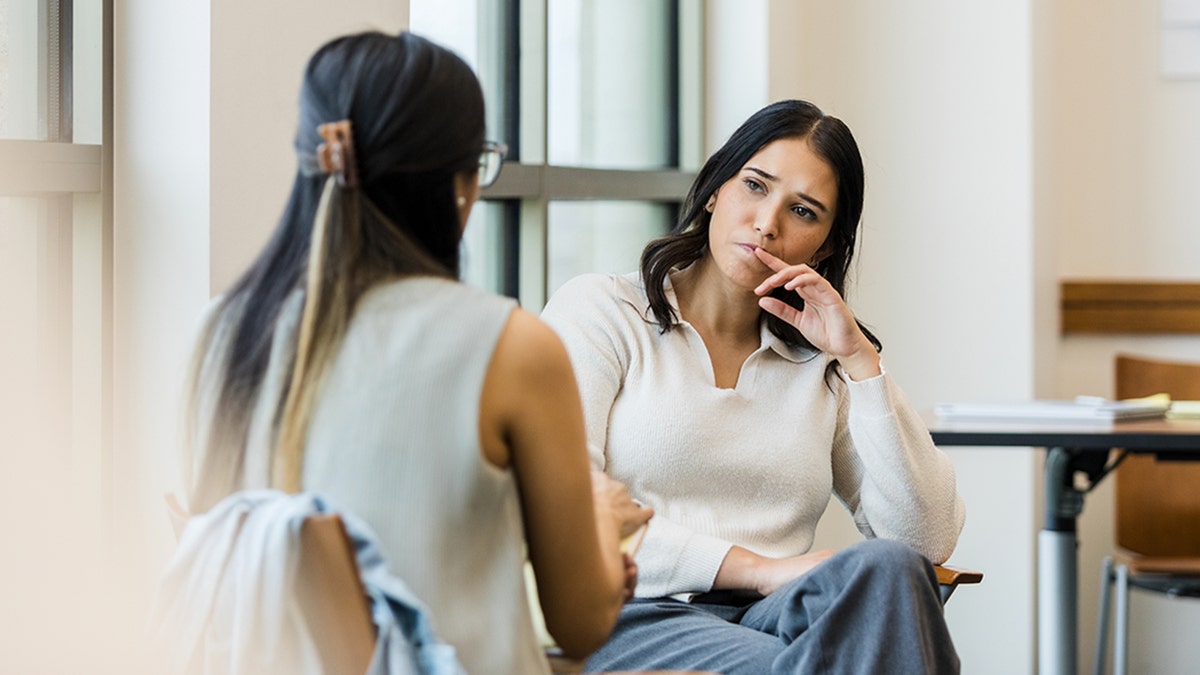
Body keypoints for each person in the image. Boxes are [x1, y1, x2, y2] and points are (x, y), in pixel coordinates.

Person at [181, 31, 651, 674]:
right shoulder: (511, 348)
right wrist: (600, 519)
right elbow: (580, 621)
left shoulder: (221, 331)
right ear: (456, 185)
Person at [540, 99, 968, 674]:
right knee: (807, 662)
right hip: (632, 613)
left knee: (890, 569)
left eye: (804, 211)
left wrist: (860, 361)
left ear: (828, 246)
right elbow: (562, 511)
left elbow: (928, 540)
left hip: (778, 614)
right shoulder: (603, 313)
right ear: (716, 187)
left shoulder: (821, 363)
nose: (768, 223)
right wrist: (757, 568)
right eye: (755, 186)